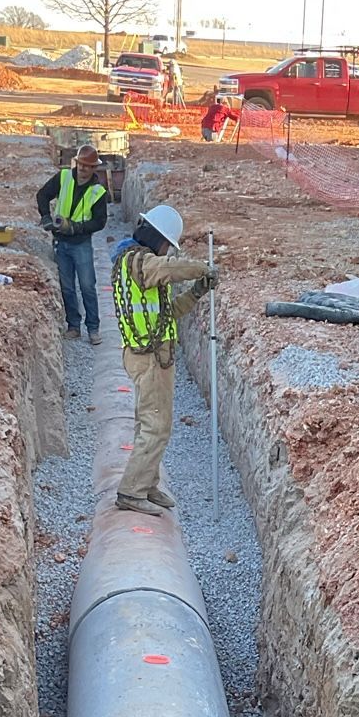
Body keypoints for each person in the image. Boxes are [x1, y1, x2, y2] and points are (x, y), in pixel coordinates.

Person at [110, 202, 216, 516]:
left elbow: (169, 313)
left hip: (154, 355)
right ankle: (131, 491)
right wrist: (201, 267)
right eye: (168, 246)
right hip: (148, 357)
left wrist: (197, 291)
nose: (169, 252)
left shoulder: (142, 269)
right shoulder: (138, 263)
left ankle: (147, 481)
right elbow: (167, 269)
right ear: (157, 238)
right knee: (155, 426)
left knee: (152, 422)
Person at [37, 146, 109, 343]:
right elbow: (42, 195)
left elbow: (100, 222)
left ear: (94, 168)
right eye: (81, 164)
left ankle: (93, 328)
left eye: (88, 166)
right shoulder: (64, 178)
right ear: (76, 163)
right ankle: (73, 326)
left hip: (81, 243)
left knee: (87, 286)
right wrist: (45, 217)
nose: (83, 169)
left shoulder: (98, 192)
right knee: (67, 286)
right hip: (61, 241)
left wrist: (76, 228)